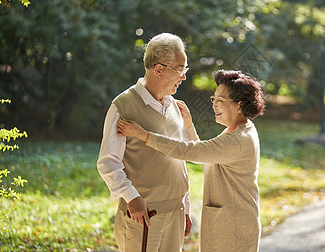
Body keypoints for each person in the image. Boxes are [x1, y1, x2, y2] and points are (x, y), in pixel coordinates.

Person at [117, 70, 265, 252]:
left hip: (234, 225)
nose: (214, 105)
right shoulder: (238, 130)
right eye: (214, 99)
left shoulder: (238, 140)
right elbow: (206, 154)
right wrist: (188, 126)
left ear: (240, 105)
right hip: (230, 220)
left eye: (221, 101)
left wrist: (143, 135)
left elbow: (190, 151)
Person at [97, 33, 193, 252]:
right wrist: (132, 198)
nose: (184, 77)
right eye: (180, 69)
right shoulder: (123, 106)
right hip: (144, 215)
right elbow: (108, 163)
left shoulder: (174, 106)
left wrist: (185, 207)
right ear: (159, 69)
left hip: (175, 213)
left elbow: (180, 159)